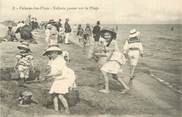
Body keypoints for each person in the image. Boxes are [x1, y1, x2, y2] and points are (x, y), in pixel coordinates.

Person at [94, 27, 129, 94]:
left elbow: (110, 54)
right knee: (114, 76)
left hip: (115, 59)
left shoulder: (113, 42)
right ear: (103, 35)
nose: (107, 36)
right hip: (113, 59)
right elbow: (105, 52)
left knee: (103, 70)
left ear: (112, 36)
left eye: (109, 35)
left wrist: (104, 60)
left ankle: (107, 89)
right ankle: (126, 87)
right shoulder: (106, 42)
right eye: (105, 35)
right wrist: (98, 53)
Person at [42, 46, 76, 113]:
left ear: (56, 53)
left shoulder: (61, 60)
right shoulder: (53, 60)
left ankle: (67, 109)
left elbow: (59, 72)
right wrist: (48, 75)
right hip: (58, 78)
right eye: (49, 54)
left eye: (51, 53)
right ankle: (56, 110)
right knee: (54, 94)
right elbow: (53, 71)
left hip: (64, 78)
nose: (49, 55)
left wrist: (48, 76)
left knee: (60, 95)